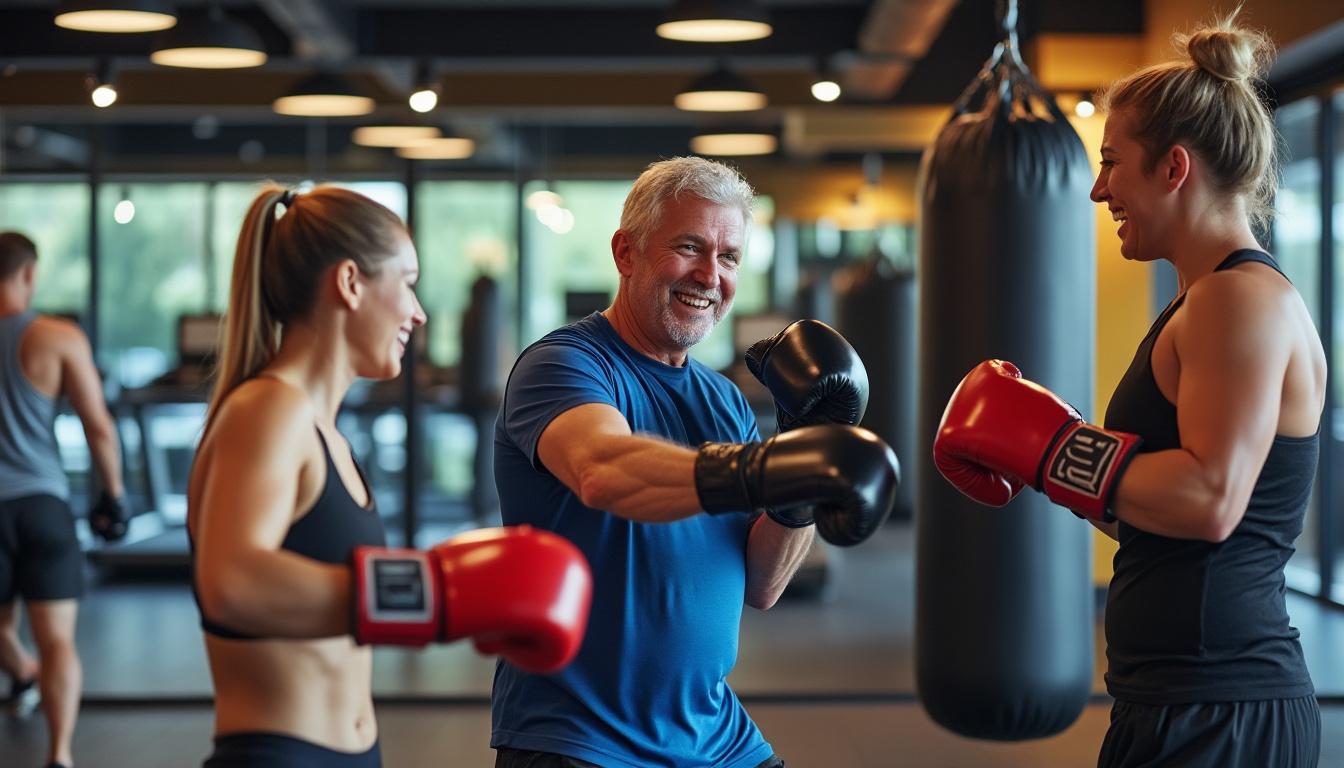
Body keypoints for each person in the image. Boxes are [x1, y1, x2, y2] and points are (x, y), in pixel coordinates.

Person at [933, 12, 1325, 767]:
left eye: (1113, 163)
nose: (1097, 189)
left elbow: (1210, 500)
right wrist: (1048, 463)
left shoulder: (1235, 301)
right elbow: (1158, 517)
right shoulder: (1202, 303)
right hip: (1179, 699)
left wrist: (1047, 446)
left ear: (1174, 168)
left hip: (1220, 707)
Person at [491, 156, 901, 768]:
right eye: (689, 247)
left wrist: (805, 465)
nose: (711, 275)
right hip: (580, 735)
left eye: (730, 256)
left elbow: (762, 585)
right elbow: (601, 468)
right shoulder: (564, 366)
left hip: (713, 732)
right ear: (625, 253)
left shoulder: (725, 399)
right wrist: (770, 468)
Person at [188, 185, 592, 768]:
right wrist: (436, 594)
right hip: (277, 755)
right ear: (350, 283)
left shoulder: (326, 432)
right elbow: (232, 584)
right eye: (406, 282)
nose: (418, 311)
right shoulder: (268, 409)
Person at [0, 231, 126, 768]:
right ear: (29, 274)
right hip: (43, 506)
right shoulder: (58, 336)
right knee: (59, 644)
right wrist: (114, 496)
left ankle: (24, 673)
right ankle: (61, 754)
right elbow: (98, 427)